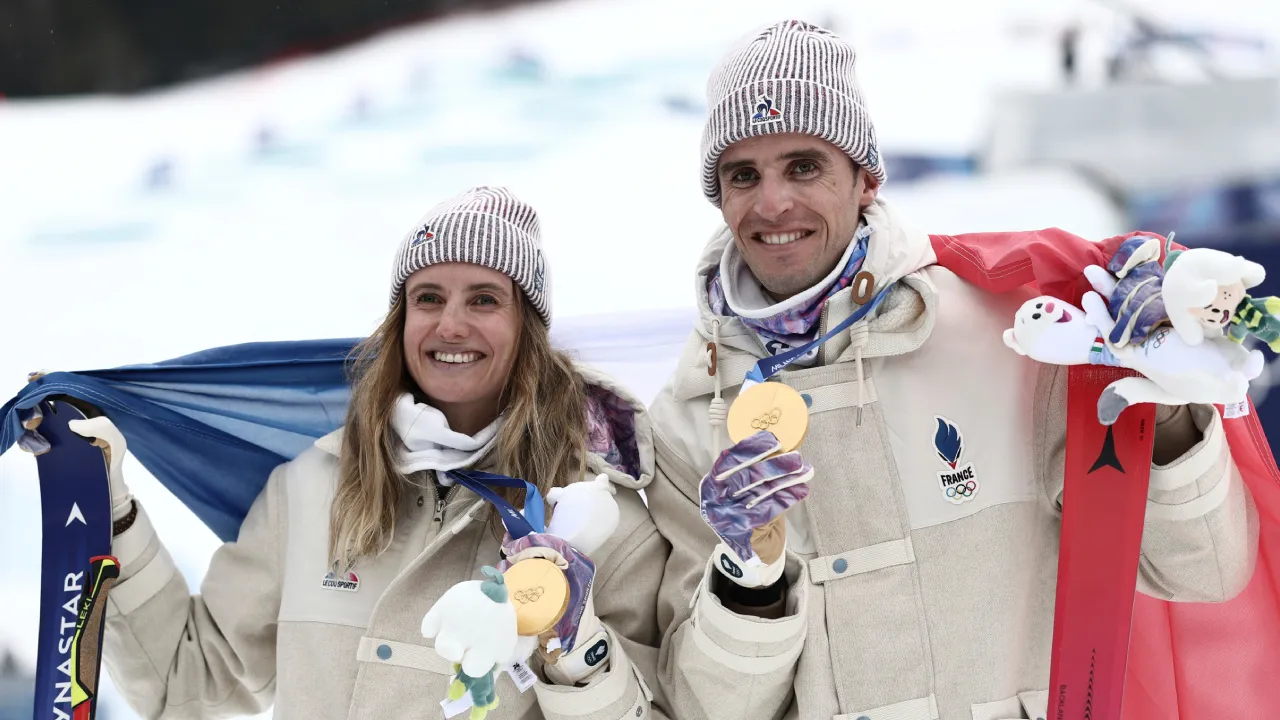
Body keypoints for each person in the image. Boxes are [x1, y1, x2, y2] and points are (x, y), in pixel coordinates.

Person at [644, 20, 1259, 720]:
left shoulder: (1016, 333)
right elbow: (706, 710)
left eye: (805, 165)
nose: (772, 202)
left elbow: (1202, 570)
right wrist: (748, 577)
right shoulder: (690, 413)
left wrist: (1164, 402)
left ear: (866, 177)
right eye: (742, 175)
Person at [78, 186, 668, 719]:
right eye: (428, 297)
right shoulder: (313, 486)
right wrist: (115, 515)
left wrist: (570, 640)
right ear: (400, 322)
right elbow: (190, 682)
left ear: (528, 328)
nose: (452, 325)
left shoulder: (597, 516)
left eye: (485, 300)